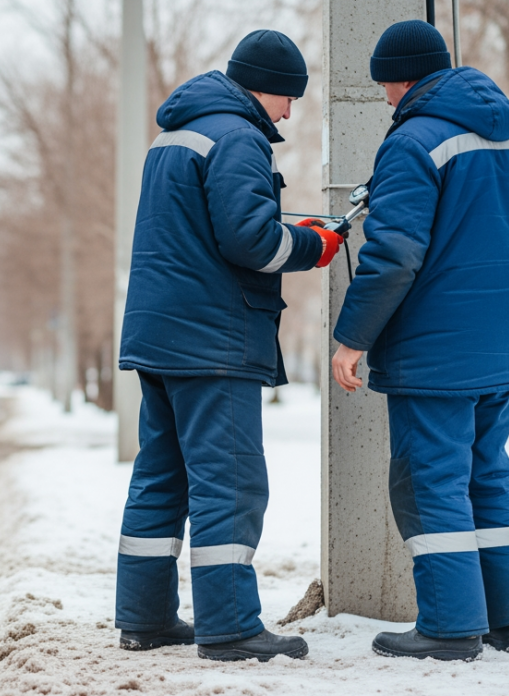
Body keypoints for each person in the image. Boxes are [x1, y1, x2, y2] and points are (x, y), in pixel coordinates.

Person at [115, 30, 342, 662]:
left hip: (160, 336)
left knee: (162, 478)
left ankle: (146, 618)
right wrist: (313, 246)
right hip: (213, 340)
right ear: (262, 87)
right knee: (230, 483)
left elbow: (198, 232)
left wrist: (290, 228)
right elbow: (251, 243)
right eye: (288, 98)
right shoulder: (238, 136)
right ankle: (230, 626)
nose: (289, 113)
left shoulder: (177, 135)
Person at [330, 20, 509, 661]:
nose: (384, 100)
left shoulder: (414, 141)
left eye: (384, 87)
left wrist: (351, 337)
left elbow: (393, 254)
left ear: (401, 77)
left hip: (435, 345)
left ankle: (449, 627)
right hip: (499, 342)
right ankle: (506, 620)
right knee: (486, 476)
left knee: (429, 481)